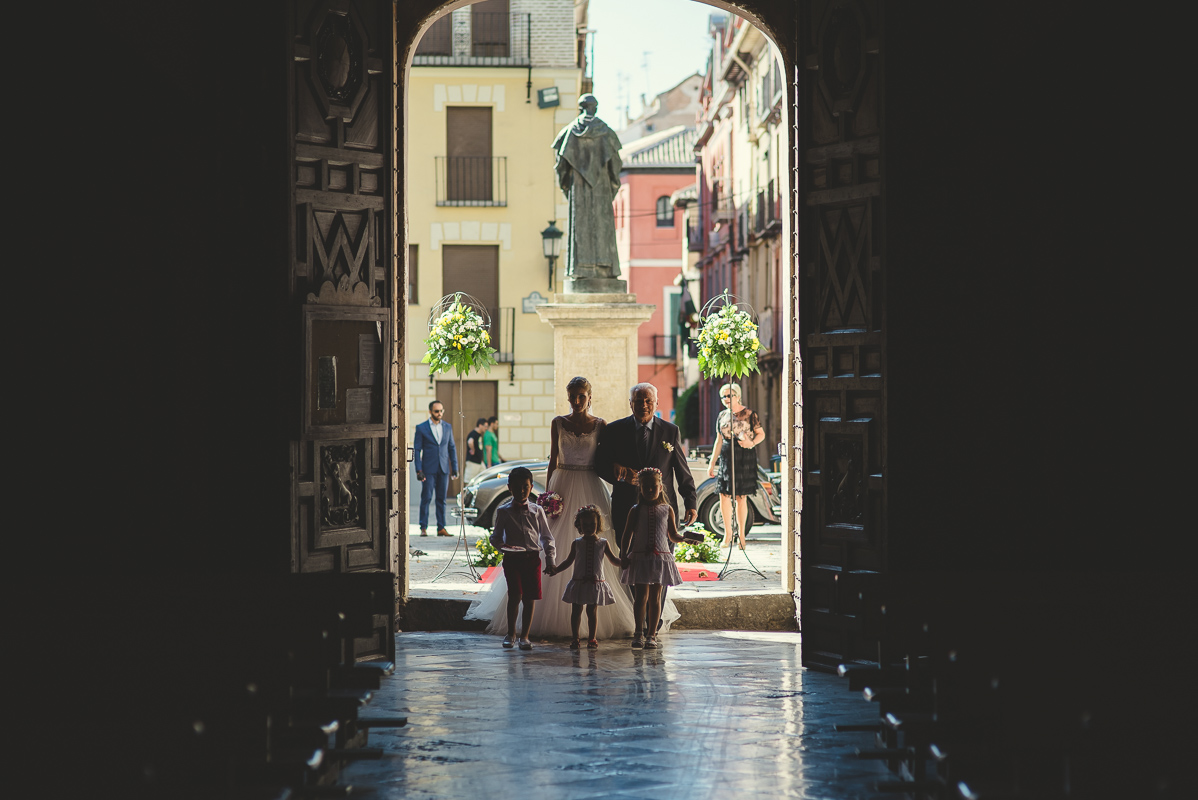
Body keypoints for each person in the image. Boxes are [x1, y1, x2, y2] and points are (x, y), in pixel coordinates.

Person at [466, 377, 671, 638]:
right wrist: (549, 493)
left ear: (589, 397)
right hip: (562, 483)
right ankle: (546, 613)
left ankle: (604, 615)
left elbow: (605, 459)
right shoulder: (558, 423)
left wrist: (620, 469)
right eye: (572, 396)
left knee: (598, 539)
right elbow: (553, 459)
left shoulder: (601, 425)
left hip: (590, 483)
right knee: (555, 540)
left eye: (581, 396)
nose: (576, 401)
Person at [596, 382, 697, 631]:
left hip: (664, 511)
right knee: (630, 562)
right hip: (627, 508)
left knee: (662, 565)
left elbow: (681, 470)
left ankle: (654, 621)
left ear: (656, 403)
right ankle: (638, 619)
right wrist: (616, 472)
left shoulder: (670, 431)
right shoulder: (615, 430)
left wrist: (691, 502)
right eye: (638, 400)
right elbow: (599, 464)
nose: (643, 405)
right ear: (630, 403)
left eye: (648, 400)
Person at [551, 94, 623, 284]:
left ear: (580, 108)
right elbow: (615, 164)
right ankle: (605, 269)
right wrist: (612, 185)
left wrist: (568, 186)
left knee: (580, 224)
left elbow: (561, 166)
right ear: (596, 108)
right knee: (603, 226)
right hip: (602, 187)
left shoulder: (569, 133)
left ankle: (580, 269)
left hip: (579, 188)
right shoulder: (606, 133)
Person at [489, 467, 555, 650]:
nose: (521, 490)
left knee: (529, 598)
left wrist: (550, 559)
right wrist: (504, 547)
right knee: (515, 595)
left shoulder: (538, 510)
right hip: (512, 560)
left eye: (525, 486)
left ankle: (525, 636)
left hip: (532, 559)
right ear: (509, 488)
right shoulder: (503, 512)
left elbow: (546, 537)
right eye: (517, 487)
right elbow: (495, 537)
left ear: (531, 486)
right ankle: (511, 634)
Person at [619, 468, 684, 649]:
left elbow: (673, 535)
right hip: (640, 558)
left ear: (660, 487)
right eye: (645, 486)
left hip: (660, 559)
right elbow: (627, 535)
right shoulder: (635, 510)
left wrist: (685, 538)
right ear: (639, 488)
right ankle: (638, 631)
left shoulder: (667, 509)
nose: (649, 490)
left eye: (653, 486)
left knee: (655, 598)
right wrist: (623, 554)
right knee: (640, 597)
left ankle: (651, 634)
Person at [547, 505, 624, 650]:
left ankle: (592, 638)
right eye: (585, 525)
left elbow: (613, 560)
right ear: (579, 525)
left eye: (592, 524)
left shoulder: (603, 543)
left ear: (598, 524)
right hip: (579, 583)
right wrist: (556, 569)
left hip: (595, 583)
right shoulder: (577, 543)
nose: (589, 527)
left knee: (592, 611)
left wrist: (624, 563)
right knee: (576, 611)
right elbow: (568, 561)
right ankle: (575, 638)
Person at [706, 383, 764, 549]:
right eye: (723, 396)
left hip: (744, 457)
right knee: (723, 495)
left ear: (738, 396)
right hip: (726, 456)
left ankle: (742, 536)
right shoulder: (722, 415)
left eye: (729, 395)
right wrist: (712, 463)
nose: (726, 399)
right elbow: (718, 440)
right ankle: (728, 535)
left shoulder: (749, 414)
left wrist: (751, 443)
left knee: (741, 497)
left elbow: (761, 434)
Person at [414, 400, 457, 537]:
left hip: (443, 468)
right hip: (428, 469)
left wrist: (454, 467)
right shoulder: (421, 428)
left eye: (441, 411)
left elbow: (451, 447)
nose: (439, 414)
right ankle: (423, 527)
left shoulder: (447, 427)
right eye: (436, 411)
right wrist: (418, 470)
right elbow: (417, 450)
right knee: (426, 498)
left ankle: (441, 528)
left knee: (441, 499)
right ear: (430, 412)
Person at [464, 417, 488, 483]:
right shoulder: (473, 434)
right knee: (469, 481)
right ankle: (466, 493)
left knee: (485, 476)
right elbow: (470, 442)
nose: (486, 428)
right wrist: (473, 449)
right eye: (485, 426)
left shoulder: (479, 435)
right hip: (473, 461)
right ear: (480, 425)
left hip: (479, 461)